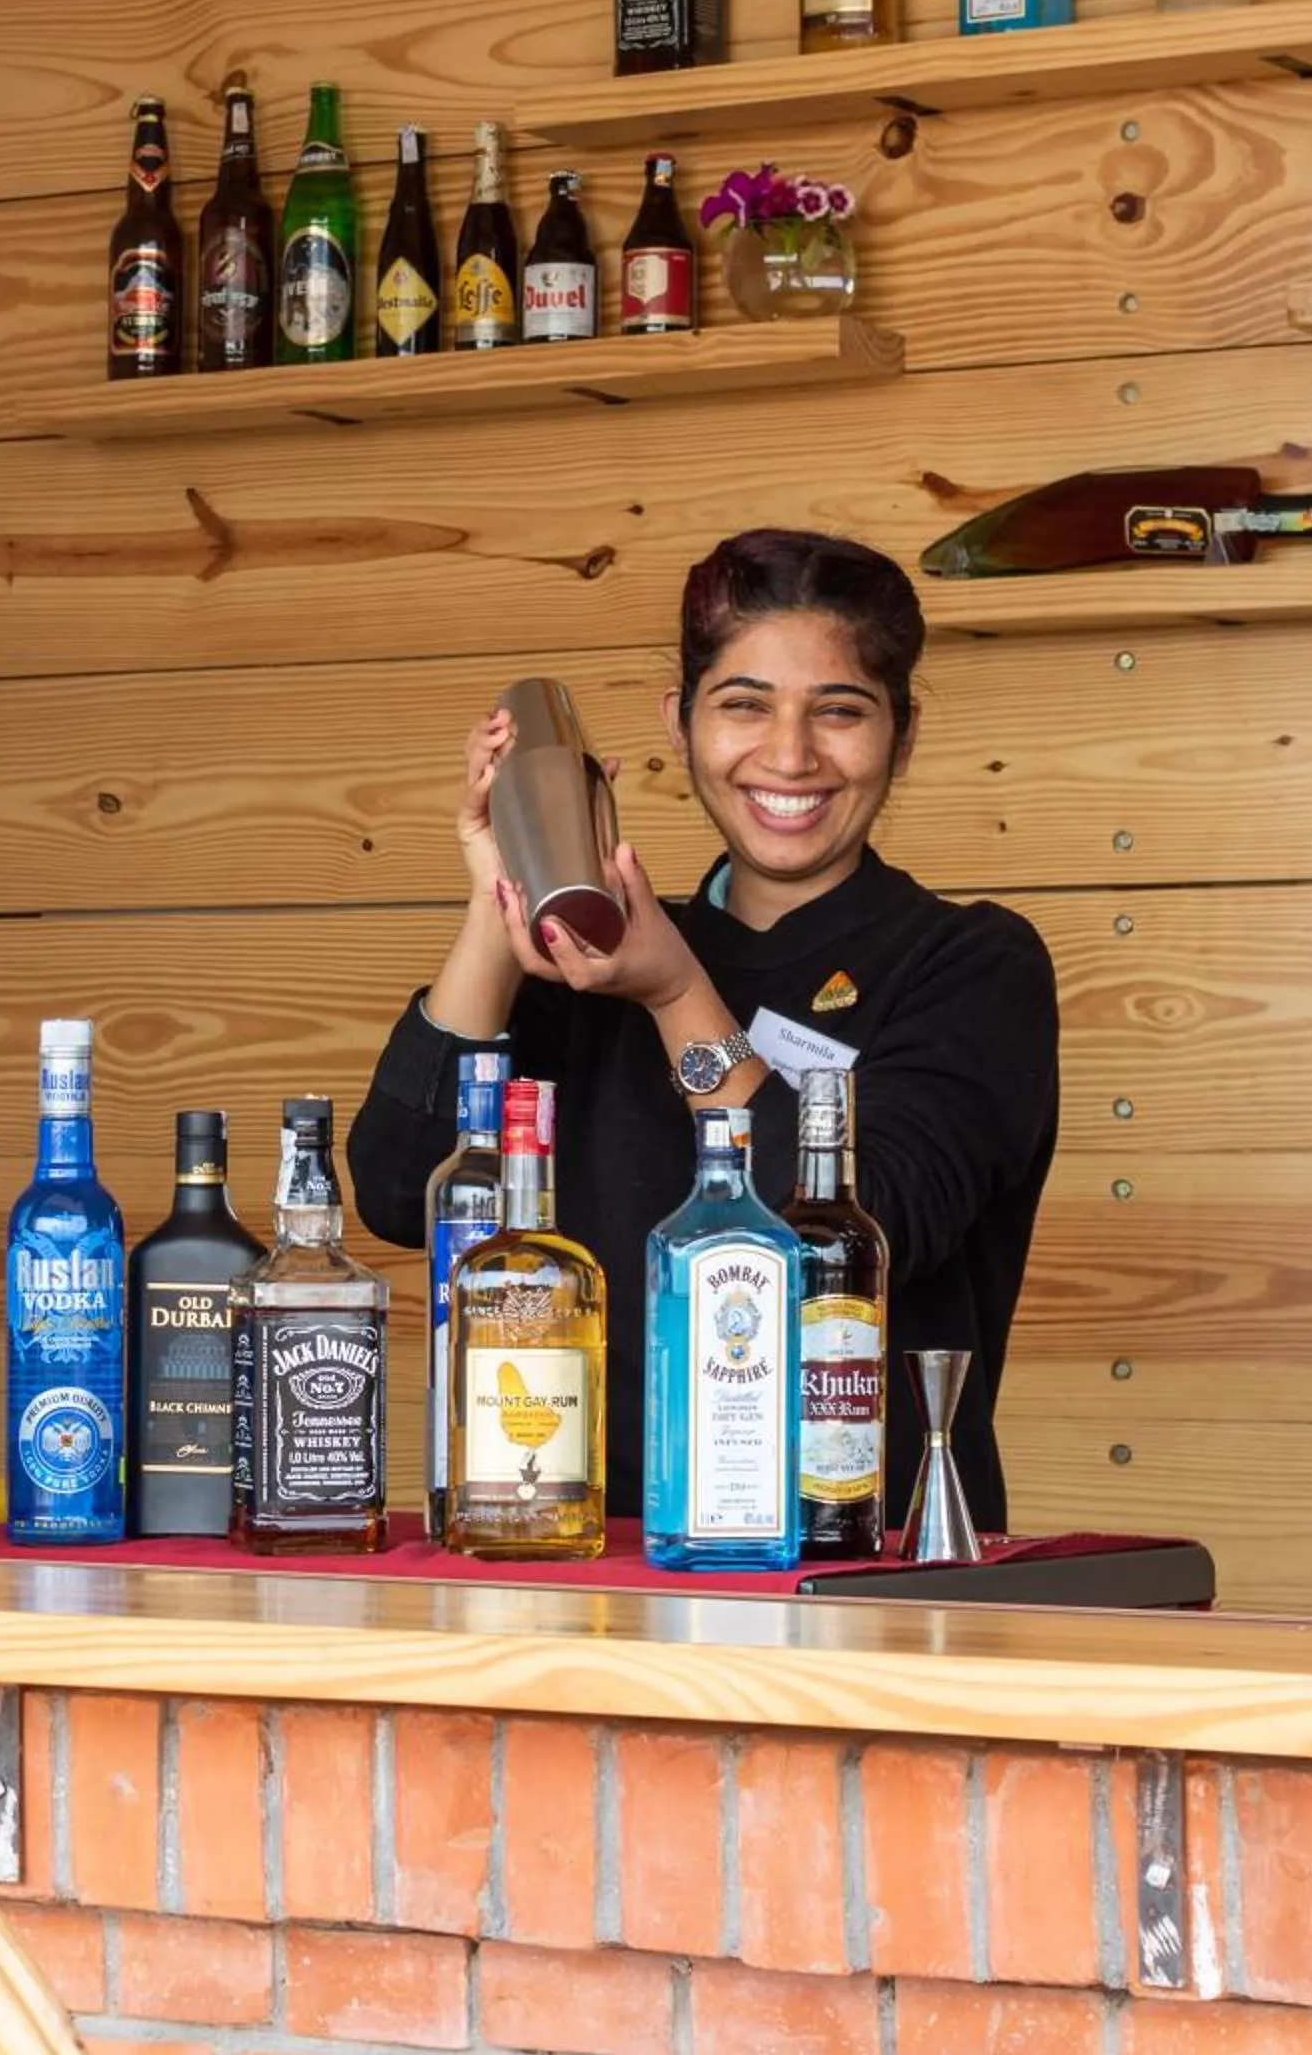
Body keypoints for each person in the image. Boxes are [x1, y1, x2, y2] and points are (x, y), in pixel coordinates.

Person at [349, 530, 1058, 1530]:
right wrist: (498, 899)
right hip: (592, 1550)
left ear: (902, 736)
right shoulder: (589, 968)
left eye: (839, 711)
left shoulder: (970, 964)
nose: (789, 755)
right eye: (743, 706)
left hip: (862, 1555)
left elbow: (861, 1233)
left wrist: (674, 992)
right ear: (678, 726)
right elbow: (397, 1190)